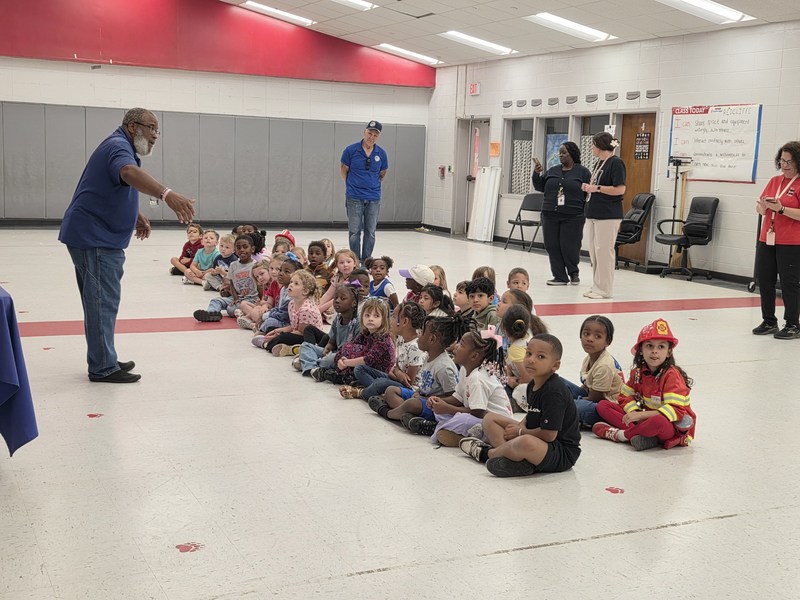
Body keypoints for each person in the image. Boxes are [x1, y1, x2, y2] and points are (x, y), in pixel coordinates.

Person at [59, 107, 195, 383]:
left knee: (101, 302)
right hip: (95, 238)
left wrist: (134, 214)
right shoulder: (119, 146)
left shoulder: (119, 144)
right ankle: (102, 367)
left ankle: (104, 358)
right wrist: (166, 194)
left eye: (157, 130)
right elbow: (128, 172)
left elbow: (112, 186)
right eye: (151, 128)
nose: (155, 136)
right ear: (133, 127)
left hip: (94, 235)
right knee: (101, 303)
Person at [459, 333, 581, 478]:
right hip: (538, 438)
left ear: (555, 365)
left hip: (560, 451)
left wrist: (520, 432)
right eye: (528, 353)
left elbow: (549, 435)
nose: (531, 360)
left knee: (525, 442)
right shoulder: (532, 385)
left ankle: (486, 453)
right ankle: (516, 460)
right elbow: (531, 414)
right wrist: (520, 427)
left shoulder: (554, 391)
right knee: (490, 419)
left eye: (540, 357)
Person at [593, 318, 696, 450]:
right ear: (640, 349)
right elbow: (624, 397)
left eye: (661, 347)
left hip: (670, 426)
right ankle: (644, 435)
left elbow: (676, 411)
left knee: (658, 422)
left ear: (669, 352)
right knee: (603, 405)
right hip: (645, 420)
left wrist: (641, 415)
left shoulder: (672, 376)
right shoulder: (637, 372)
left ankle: (622, 435)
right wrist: (634, 413)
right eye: (649, 346)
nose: (654, 351)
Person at [407, 330, 512, 447]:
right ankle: (453, 432)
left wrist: (447, 408)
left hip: (495, 425)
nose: (456, 346)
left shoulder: (478, 379)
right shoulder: (464, 369)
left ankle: (438, 429)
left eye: (461, 344)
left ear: (474, 356)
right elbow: (458, 398)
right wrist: (438, 401)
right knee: (441, 414)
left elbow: (477, 412)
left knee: (463, 419)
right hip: (475, 415)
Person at [369, 315, 467, 425]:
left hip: (433, 406)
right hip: (421, 396)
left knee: (412, 404)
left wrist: (425, 398)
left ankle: (387, 413)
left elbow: (453, 398)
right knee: (391, 390)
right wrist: (418, 393)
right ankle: (408, 416)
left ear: (432, 339)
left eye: (421, 333)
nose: (418, 336)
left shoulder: (444, 367)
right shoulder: (429, 356)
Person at [753, 141, 800, 340]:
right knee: (765, 280)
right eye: (782, 160)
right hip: (768, 238)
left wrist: (781, 208)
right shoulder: (774, 180)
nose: (785, 165)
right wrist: (763, 207)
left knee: (789, 283)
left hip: (791, 241)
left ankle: (792, 324)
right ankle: (769, 320)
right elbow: (760, 206)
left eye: (789, 161)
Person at [532, 142, 592, 286]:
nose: (561, 155)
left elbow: (589, 193)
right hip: (549, 213)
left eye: (564, 153)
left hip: (573, 215)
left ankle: (573, 272)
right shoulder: (552, 170)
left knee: (570, 245)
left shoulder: (583, 172)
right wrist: (536, 173)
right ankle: (559, 276)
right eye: (560, 153)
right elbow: (540, 186)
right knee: (551, 245)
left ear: (572, 154)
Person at [341, 301, 427, 400]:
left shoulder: (415, 347)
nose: (391, 320)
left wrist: (395, 373)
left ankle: (362, 393)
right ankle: (375, 391)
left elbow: (409, 383)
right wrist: (397, 372)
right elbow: (394, 369)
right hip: (396, 379)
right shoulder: (401, 339)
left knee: (381, 383)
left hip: (410, 390)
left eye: (394, 317)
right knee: (359, 369)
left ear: (404, 322)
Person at [581, 132, 627, 299]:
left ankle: (605, 289)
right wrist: (589, 187)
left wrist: (598, 188)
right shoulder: (599, 162)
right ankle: (596, 286)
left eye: (593, 144)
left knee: (604, 252)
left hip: (608, 215)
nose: (591, 147)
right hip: (594, 212)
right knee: (594, 251)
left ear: (600, 146)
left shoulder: (616, 163)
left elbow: (620, 189)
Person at [312, 298, 395, 385]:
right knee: (346, 349)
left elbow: (368, 360)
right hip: (365, 366)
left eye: (376, 316)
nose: (371, 319)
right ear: (362, 317)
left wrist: (347, 362)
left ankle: (370, 386)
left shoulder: (383, 338)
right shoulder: (365, 333)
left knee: (358, 369)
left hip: (379, 372)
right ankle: (343, 376)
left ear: (383, 320)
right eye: (367, 315)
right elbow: (351, 345)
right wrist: (341, 359)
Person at [340, 120, 389, 261]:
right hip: (354, 196)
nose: (371, 137)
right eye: (369, 133)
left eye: (375, 135)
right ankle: (355, 260)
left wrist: (372, 184)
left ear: (378, 136)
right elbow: (344, 169)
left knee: (370, 231)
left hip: (373, 197)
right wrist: (351, 184)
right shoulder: (351, 150)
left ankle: (366, 260)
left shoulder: (382, 154)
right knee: (354, 231)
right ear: (364, 132)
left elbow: (382, 173)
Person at [563, 315, 623, 428]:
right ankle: (565, 411)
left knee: (577, 406)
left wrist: (570, 401)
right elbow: (586, 386)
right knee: (558, 383)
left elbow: (597, 397)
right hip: (592, 397)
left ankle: (566, 414)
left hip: (607, 407)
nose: (590, 339)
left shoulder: (604, 365)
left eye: (598, 336)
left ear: (608, 341)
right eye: (586, 334)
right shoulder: (590, 357)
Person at [296, 284, 360, 376]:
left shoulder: (357, 323)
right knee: (305, 346)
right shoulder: (337, 319)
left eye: (343, 299)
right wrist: (328, 346)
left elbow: (356, 348)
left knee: (329, 359)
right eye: (336, 298)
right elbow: (332, 339)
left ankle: (309, 363)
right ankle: (312, 369)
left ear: (353, 303)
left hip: (346, 356)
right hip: (335, 352)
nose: (337, 301)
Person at [255, 270, 322, 356]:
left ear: (305, 291)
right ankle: (281, 345)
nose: (290, 285)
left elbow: (301, 333)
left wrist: (280, 334)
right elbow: (294, 326)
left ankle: (267, 344)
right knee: (271, 329)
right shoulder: (292, 303)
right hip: (297, 332)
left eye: (296, 284)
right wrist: (279, 330)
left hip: (309, 339)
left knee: (283, 337)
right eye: (291, 282)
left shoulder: (306, 309)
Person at [193, 234, 258, 322]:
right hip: (238, 297)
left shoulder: (256, 265)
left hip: (251, 299)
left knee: (230, 309)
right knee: (216, 300)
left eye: (245, 247)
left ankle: (244, 313)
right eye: (238, 247)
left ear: (252, 249)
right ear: (235, 250)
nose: (242, 250)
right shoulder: (233, 265)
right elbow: (231, 282)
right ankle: (212, 313)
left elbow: (262, 284)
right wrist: (235, 298)